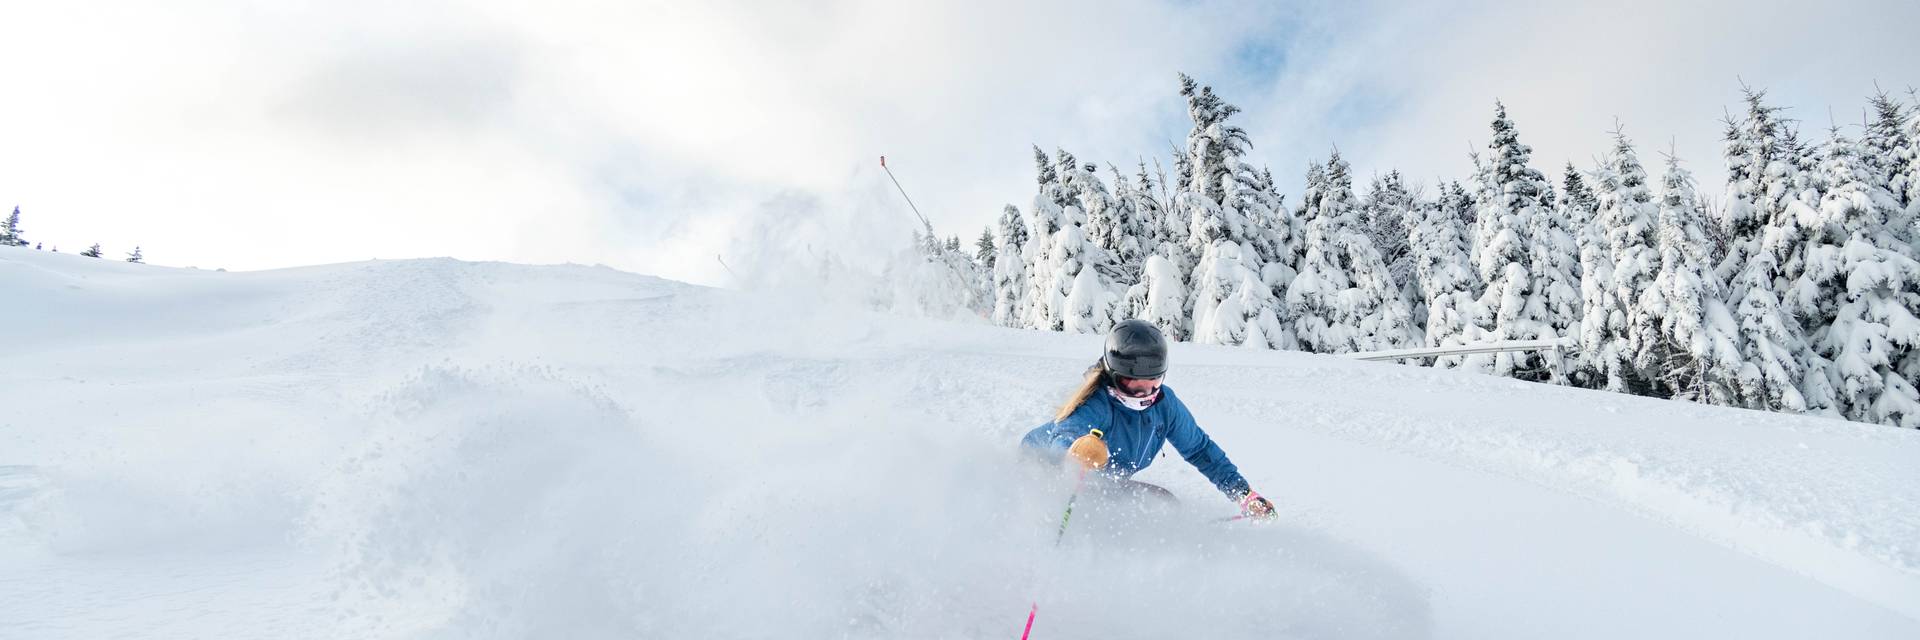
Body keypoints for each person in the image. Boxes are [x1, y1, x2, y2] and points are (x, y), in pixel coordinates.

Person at [1020, 319, 1276, 520]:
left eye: (1153, 383)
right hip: (1044, 468)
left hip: (1102, 481)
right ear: (1113, 376)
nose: (1144, 393)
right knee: (1096, 512)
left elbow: (1199, 449)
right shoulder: (1096, 403)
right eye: (1133, 384)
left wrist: (1243, 494)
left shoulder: (1165, 406)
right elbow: (1064, 435)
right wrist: (1074, 455)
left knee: (1163, 504)